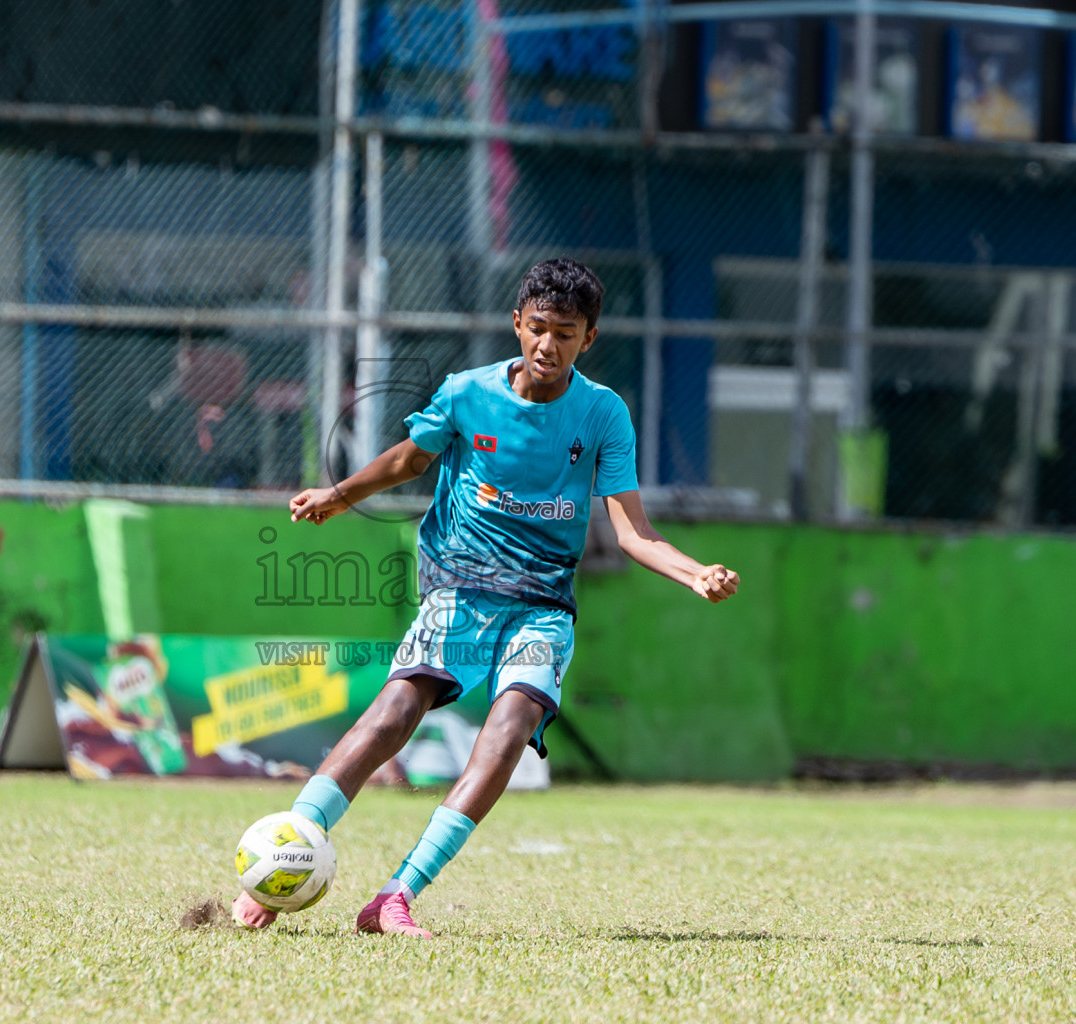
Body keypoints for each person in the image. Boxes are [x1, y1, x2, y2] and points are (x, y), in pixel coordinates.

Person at [232, 257, 739, 938]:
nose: (547, 346)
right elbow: (410, 459)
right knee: (393, 714)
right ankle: (287, 854)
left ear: (589, 338)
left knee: (507, 733)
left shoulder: (603, 413)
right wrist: (337, 495)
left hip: (542, 602)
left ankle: (395, 896)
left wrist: (694, 572)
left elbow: (633, 532)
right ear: (516, 324)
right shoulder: (466, 395)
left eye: (565, 333)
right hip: (460, 585)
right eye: (537, 329)